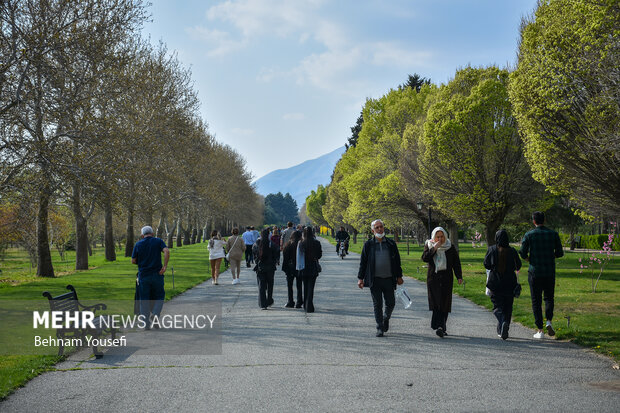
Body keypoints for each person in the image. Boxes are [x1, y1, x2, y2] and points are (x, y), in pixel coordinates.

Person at [519, 211, 564, 339]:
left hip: (535, 271)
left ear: (534, 221)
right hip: (549, 271)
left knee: (536, 300)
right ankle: (549, 320)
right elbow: (560, 253)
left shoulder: (529, 235)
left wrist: (529, 259)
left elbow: (522, 253)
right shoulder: (553, 234)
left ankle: (540, 329)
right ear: (544, 220)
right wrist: (551, 256)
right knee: (549, 298)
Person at [357, 219, 404, 337]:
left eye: (381, 227)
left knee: (391, 303)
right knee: (377, 304)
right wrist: (360, 278)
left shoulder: (391, 244)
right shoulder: (368, 245)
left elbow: (397, 262)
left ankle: (385, 318)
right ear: (373, 230)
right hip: (375, 280)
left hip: (389, 279)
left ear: (384, 228)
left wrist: (399, 276)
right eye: (377, 227)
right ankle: (379, 327)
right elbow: (363, 263)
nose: (379, 229)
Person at [422, 227, 463, 338]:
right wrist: (434, 249)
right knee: (436, 302)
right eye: (437, 237)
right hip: (433, 278)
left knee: (444, 303)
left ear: (445, 236)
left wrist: (459, 276)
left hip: (446, 278)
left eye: (442, 236)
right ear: (434, 237)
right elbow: (425, 258)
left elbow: (456, 263)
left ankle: (441, 327)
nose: (440, 239)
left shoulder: (450, 247)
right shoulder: (429, 245)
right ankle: (439, 326)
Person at [484, 229, 522, 340]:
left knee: (497, 306)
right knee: (508, 307)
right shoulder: (512, 251)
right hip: (510, 282)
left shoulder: (492, 249)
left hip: (495, 282)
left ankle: (502, 321)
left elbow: (486, 264)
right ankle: (504, 326)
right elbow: (518, 266)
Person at [131, 226, 169, 329]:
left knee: (144, 298)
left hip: (144, 275)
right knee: (160, 296)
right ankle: (155, 314)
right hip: (157, 273)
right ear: (152, 233)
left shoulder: (138, 244)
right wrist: (165, 266)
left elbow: (133, 260)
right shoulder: (158, 241)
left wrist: (142, 262)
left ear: (142, 235)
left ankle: (145, 323)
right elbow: (166, 251)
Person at [297, 226, 322, 313]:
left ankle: (305, 304)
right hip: (313, 266)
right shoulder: (317, 242)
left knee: (305, 286)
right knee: (311, 287)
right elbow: (319, 255)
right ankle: (309, 305)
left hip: (303, 266)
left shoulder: (301, 243)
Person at [253, 228, 279, 309]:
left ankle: (262, 303)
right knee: (270, 285)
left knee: (261, 285)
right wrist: (275, 261)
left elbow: (254, 253)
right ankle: (269, 300)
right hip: (270, 267)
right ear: (268, 235)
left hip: (260, 267)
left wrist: (257, 261)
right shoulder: (272, 244)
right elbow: (276, 253)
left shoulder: (257, 244)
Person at [282, 230, 303, 308]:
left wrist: (285, 268)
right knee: (299, 285)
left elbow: (285, 258)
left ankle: (290, 301)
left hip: (290, 267)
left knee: (290, 286)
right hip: (299, 266)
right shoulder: (301, 245)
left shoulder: (288, 245)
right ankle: (299, 301)